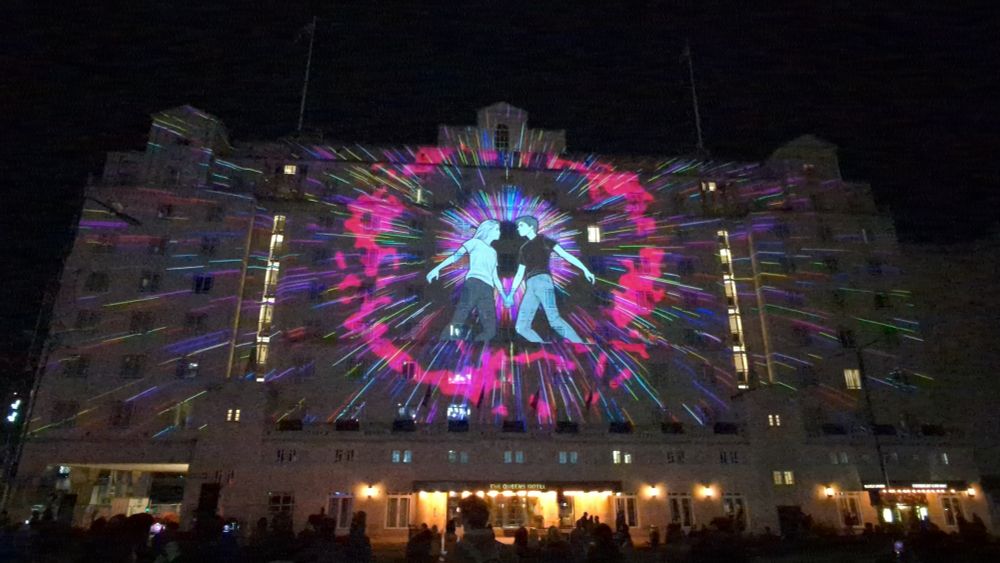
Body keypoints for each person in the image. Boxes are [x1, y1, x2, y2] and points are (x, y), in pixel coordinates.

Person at [507, 216, 595, 344]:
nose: (518, 228)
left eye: (521, 225)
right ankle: (544, 347)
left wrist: (585, 270)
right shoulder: (523, 248)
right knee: (521, 327)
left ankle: (580, 344)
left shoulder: (543, 240)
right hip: (530, 285)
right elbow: (520, 274)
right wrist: (511, 294)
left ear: (531, 227)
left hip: (543, 281)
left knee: (554, 321)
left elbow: (565, 254)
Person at [427, 219, 506, 341]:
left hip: (488, 288)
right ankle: (446, 341)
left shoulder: (493, 252)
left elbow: (494, 276)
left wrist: (505, 296)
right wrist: (436, 269)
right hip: (474, 283)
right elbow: (455, 257)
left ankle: (475, 347)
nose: (499, 232)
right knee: (460, 316)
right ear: (488, 230)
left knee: (490, 329)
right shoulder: (474, 242)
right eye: (496, 229)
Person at [445, 495, 517, 563]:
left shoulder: (456, 553)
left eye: (460, 515)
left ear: (465, 519)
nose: (458, 518)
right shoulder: (505, 552)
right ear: (486, 518)